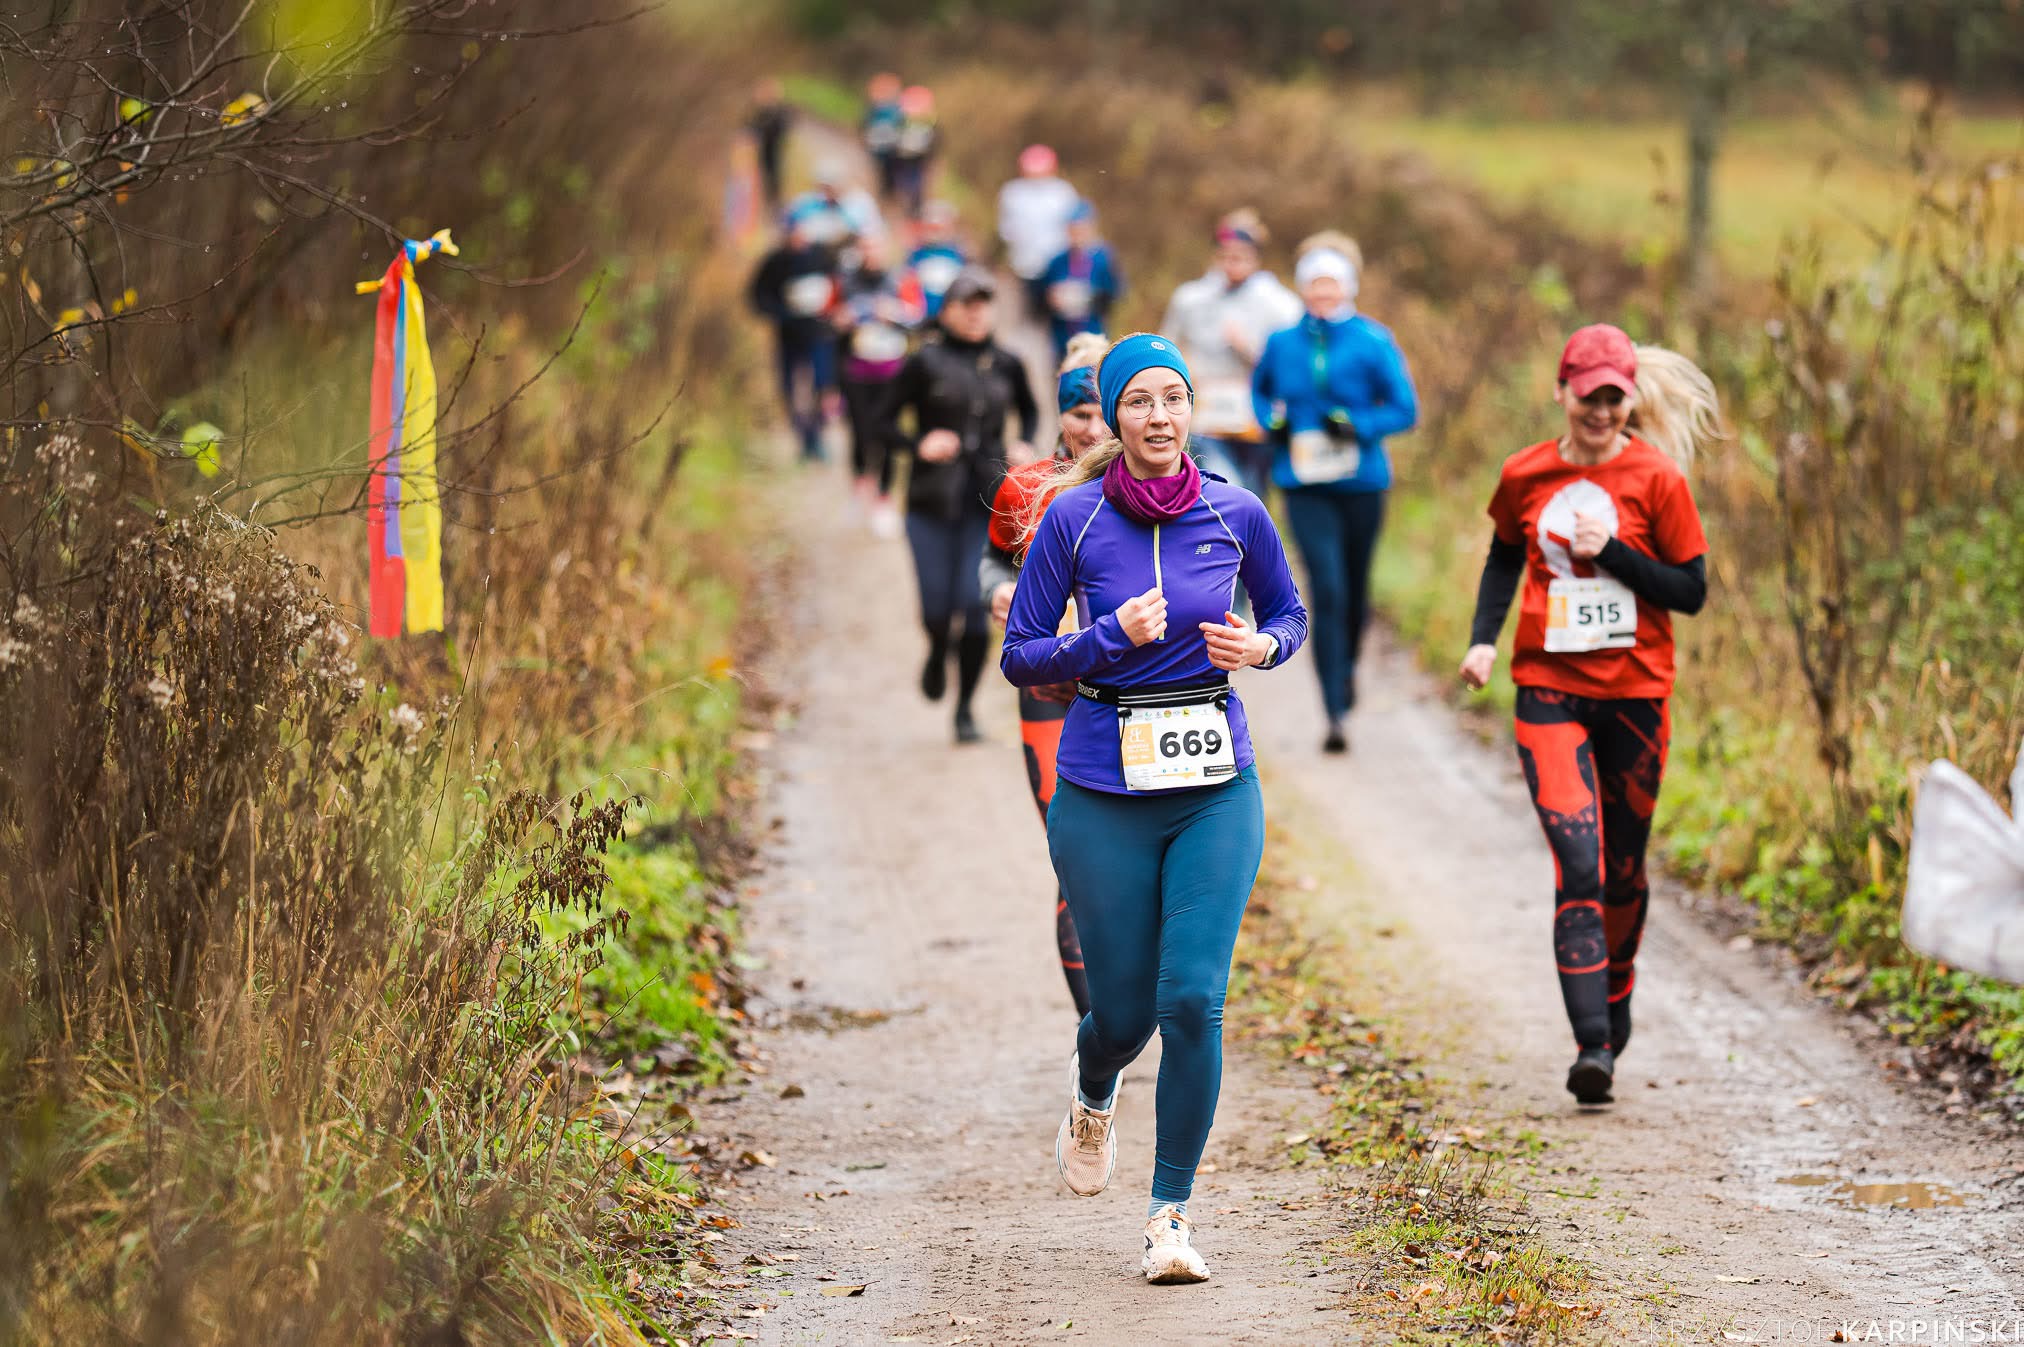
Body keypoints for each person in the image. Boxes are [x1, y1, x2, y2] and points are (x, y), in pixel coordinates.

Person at [1001, 333, 1308, 1285]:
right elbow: (1020, 654)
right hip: (1101, 784)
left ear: (1192, 414)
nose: (1161, 415)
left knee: (1192, 998)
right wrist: (1101, 635)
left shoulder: (1238, 510)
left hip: (1215, 784)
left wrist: (1261, 650)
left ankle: (1169, 1215)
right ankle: (1096, 1087)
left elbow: (1290, 615)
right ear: (1115, 415)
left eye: (1175, 398)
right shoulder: (1074, 519)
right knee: (1124, 1012)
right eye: (1140, 400)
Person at [1458, 324, 1720, 1105]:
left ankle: (1617, 990)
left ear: (1629, 398)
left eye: (1615, 396)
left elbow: (1692, 591)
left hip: (1636, 695)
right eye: (1589, 394)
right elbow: (1506, 552)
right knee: (1580, 862)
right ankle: (1593, 1046)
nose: (1601, 409)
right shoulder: (1526, 473)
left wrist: (1613, 553)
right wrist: (1483, 642)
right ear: (1562, 392)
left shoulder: (1658, 478)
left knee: (1625, 868)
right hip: (1549, 690)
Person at [980, 333, 1112, 1019]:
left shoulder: (1149, 484)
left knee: (1132, 866)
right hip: (1051, 694)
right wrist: (996, 593)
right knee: (1076, 857)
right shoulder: (1026, 485)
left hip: (1131, 698)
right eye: (1078, 413)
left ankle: (1134, 997)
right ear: (1060, 413)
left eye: (1102, 411)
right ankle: (1099, 1041)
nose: (1092, 428)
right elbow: (994, 559)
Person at [1251, 231, 1418, 753]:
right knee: (1327, 589)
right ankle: (1333, 710)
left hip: (1362, 482)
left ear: (1346, 288)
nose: (1322, 294)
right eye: (1314, 286)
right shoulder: (1282, 343)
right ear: (1302, 290)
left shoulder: (1373, 340)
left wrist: (1358, 424)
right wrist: (1270, 423)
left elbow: (1404, 409)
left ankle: (1346, 668)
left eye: (1331, 285)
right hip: (1304, 484)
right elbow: (1259, 394)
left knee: (1355, 591)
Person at [881, 266, 1037, 743]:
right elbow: (881, 421)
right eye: (965, 304)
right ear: (946, 311)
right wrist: (918, 444)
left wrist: (1023, 444)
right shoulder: (924, 362)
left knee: (974, 610)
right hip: (930, 500)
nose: (975, 313)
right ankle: (935, 647)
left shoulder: (1008, 362)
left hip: (987, 501)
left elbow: (1029, 410)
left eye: (983, 303)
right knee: (936, 609)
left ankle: (965, 708)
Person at [1160, 209, 1301, 498]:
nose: (1232, 261)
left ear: (1256, 257)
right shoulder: (1191, 298)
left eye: (1241, 254)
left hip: (1255, 416)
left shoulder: (1280, 304)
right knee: (1222, 488)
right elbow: (1167, 347)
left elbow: (1290, 366)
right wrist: (1183, 374)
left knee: (1252, 495)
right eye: (1225, 254)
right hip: (1206, 416)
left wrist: (1248, 348)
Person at [833, 234, 926, 535]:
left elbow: (919, 317)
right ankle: (859, 490)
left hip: (892, 371)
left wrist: (895, 314)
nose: (871, 252)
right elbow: (829, 317)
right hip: (857, 370)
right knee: (860, 433)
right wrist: (843, 319)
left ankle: (884, 500)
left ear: (886, 249)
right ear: (859, 251)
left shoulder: (902, 278)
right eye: (866, 247)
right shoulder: (845, 279)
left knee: (887, 433)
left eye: (876, 246)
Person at [746, 213, 840, 462]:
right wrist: (782, 314)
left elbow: (839, 287)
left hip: (820, 335)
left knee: (822, 385)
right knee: (791, 388)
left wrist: (833, 312)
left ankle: (818, 436)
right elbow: (757, 296)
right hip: (789, 337)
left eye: (803, 232)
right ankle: (804, 439)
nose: (798, 238)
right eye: (793, 233)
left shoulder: (822, 258)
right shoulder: (775, 262)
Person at [996, 144, 1080, 321]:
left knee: (1055, 315)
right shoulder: (1012, 193)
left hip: (1056, 266)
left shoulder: (1063, 193)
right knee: (1024, 313)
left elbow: (1073, 229)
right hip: (1024, 265)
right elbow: (1006, 230)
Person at [1039, 200, 1123, 362]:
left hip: (1094, 336)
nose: (1076, 235)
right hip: (1061, 338)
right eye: (1072, 230)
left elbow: (1115, 294)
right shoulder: (1057, 261)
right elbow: (1039, 299)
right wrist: (1050, 299)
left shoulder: (1103, 259)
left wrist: (1088, 297)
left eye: (1081, 229)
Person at [906, 201, 968, 322]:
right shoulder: (916, 254)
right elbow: (908, 282)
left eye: (939, 228)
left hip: (949, 315)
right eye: (930, 228)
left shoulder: (956, 254)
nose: (934, 233)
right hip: (922, 316)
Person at [891, 84, 939, 220]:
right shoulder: (903, 120)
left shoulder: (930, 122)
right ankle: (908, 208)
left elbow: (935, 142)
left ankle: (915, 211)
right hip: (904, 160)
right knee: (905, 184)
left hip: (918, 161)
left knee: (916, 187)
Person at [746, 78, 792, 210]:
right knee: (760, 177)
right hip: (760, 150)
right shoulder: (759, 112)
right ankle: (764, 203)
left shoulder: (779, 111)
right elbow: (752, 127)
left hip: (774, 149)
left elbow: (783, 128)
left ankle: (774, 203)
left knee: (774, 177)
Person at [862, 72, 904, 199]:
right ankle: (886, 190)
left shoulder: (893, 108)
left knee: (887, 169)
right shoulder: (880, 108)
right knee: (883, 169)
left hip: (887, 144)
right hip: (880, 144)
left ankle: (887, 190)